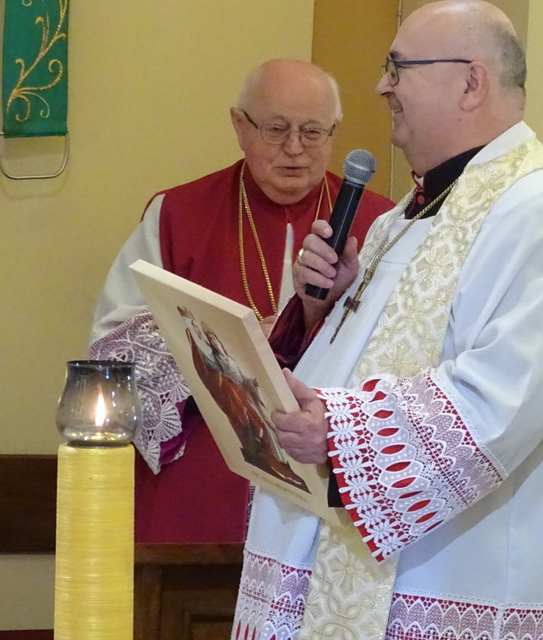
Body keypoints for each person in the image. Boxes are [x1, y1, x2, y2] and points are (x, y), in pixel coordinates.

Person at [231, 0, 543, 640]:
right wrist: (326, 306)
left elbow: (503, 399)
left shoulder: (539, 218)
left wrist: (340, 431)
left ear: (471, 83)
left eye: (398, 68)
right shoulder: (406, 217)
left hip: (457, 580)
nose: (381, 86)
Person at [89, 59, 394, 544]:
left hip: (327, 491)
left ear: (335, 132)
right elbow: (113, 349)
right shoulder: (177, 214)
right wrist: (229, 342)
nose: (295, 149)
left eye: (313, 131)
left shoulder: (383, 225)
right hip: (202, 490)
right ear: (239, 126)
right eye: (276, 129)